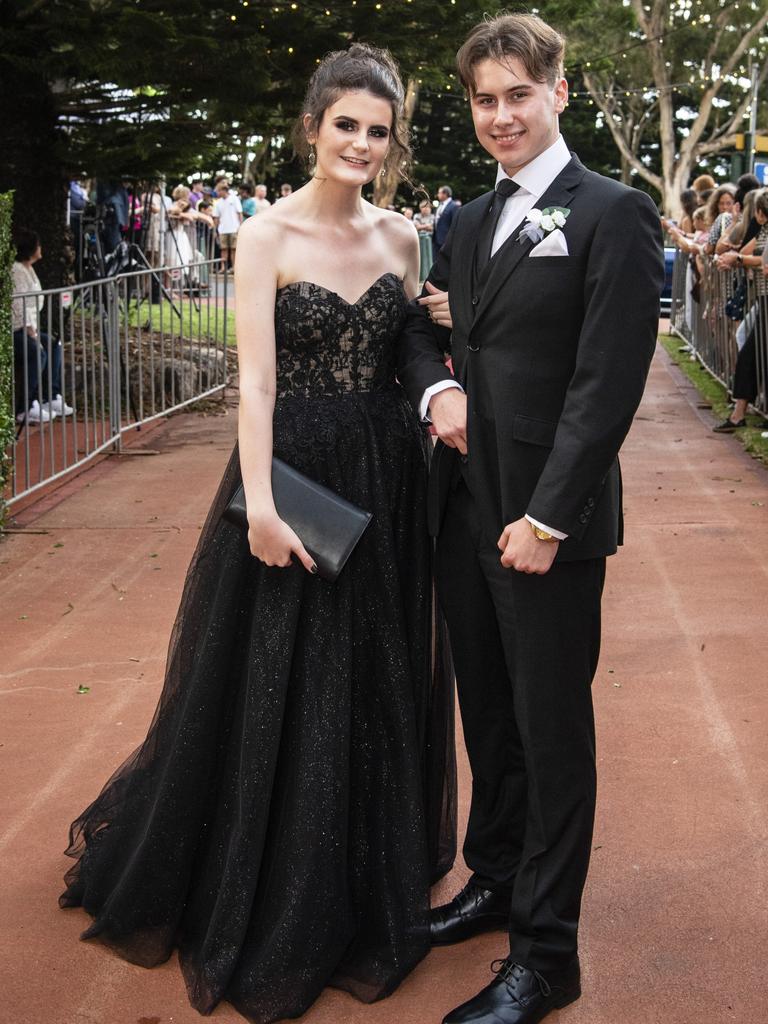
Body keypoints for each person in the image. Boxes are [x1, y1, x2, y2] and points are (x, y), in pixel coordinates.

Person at [59, 42, 456, 1024]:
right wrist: (263, 503)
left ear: (391, 137)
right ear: (313, 126)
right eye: (345, 124)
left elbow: (409, 346)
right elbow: (260, 382)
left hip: (389, 480)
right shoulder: (266, 236)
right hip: (293, 477)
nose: (362, 142)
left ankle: (359, 878)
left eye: (378, 127)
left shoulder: (406, 239)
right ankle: (269, 882)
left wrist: (446, 341)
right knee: (279, 678)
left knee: (372, 675)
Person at [398, 13, 664, 1024]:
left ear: (558, 92)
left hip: (547, 528)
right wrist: (438, 395)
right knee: (490, 716)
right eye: (484, 99)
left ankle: (548, 954)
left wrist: (548, 519)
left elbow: (607, 384)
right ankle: (499, 878)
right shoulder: (465, 219)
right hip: (466, 510)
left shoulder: (613, 212)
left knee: (553, 735)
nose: (501, 114)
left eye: (518, 93)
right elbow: (421, 335)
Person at [712, 187, 768, 432]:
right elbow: (737, 251)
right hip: (763, 298)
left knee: (749, 351)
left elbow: (762, 265)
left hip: (764, 297)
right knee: (748, 347)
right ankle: (740, 409)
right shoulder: (764, 230)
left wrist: (742, 260)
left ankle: (740, 411)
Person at [12, 229, 73, 424]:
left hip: (30, 327)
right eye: (38, 245)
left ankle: (50, 396)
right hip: (17, 329)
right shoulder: (17, 271)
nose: (41, 249)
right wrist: (31, 332)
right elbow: (18, 305)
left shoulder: (28, 268)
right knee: (37, 352)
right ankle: (26, 406)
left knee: (54, 344)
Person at [213, 179, 243, 271]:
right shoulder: (218, 203)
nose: (217, 193)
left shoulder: (234, 199)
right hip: (223, 229)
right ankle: (223, 267)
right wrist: (215, 230)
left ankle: (234, 267)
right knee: (224, 249)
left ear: (224, 190)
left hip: (234, 228)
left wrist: (240, 226)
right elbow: (216, 217)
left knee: (234, 249)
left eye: (219, 191)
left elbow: (239, 213)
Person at [433, 183, 457, 260]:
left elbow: (454, 223)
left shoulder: (453, 206)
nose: (438, 195)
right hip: (436, 238)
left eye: (439, 193)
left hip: (446, 240)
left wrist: (450, 239)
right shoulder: (439, 205)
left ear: (445, 194)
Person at [414, 197, 435, 281]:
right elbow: (416, 227)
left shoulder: (433, 216)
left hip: (430, 241)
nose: (426, 209)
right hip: (419, 240)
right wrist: (426, 226)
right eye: (424, 207)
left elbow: (432, 228)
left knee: (429, 258)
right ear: (420, 208)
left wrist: (422, 226)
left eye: (428, 207)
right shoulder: (417, 216)